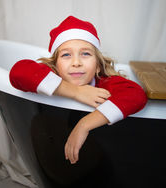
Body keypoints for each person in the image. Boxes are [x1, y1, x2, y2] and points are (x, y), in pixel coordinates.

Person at [9, 16, 147, 164]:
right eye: (66, 55)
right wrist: (76, 92)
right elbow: (18, 72)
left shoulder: (105, 81)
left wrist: (84, 124)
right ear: (55, 65)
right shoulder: (52, 76)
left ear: (98, 65)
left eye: (85, 54)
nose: (76, 63)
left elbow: (136, 94)